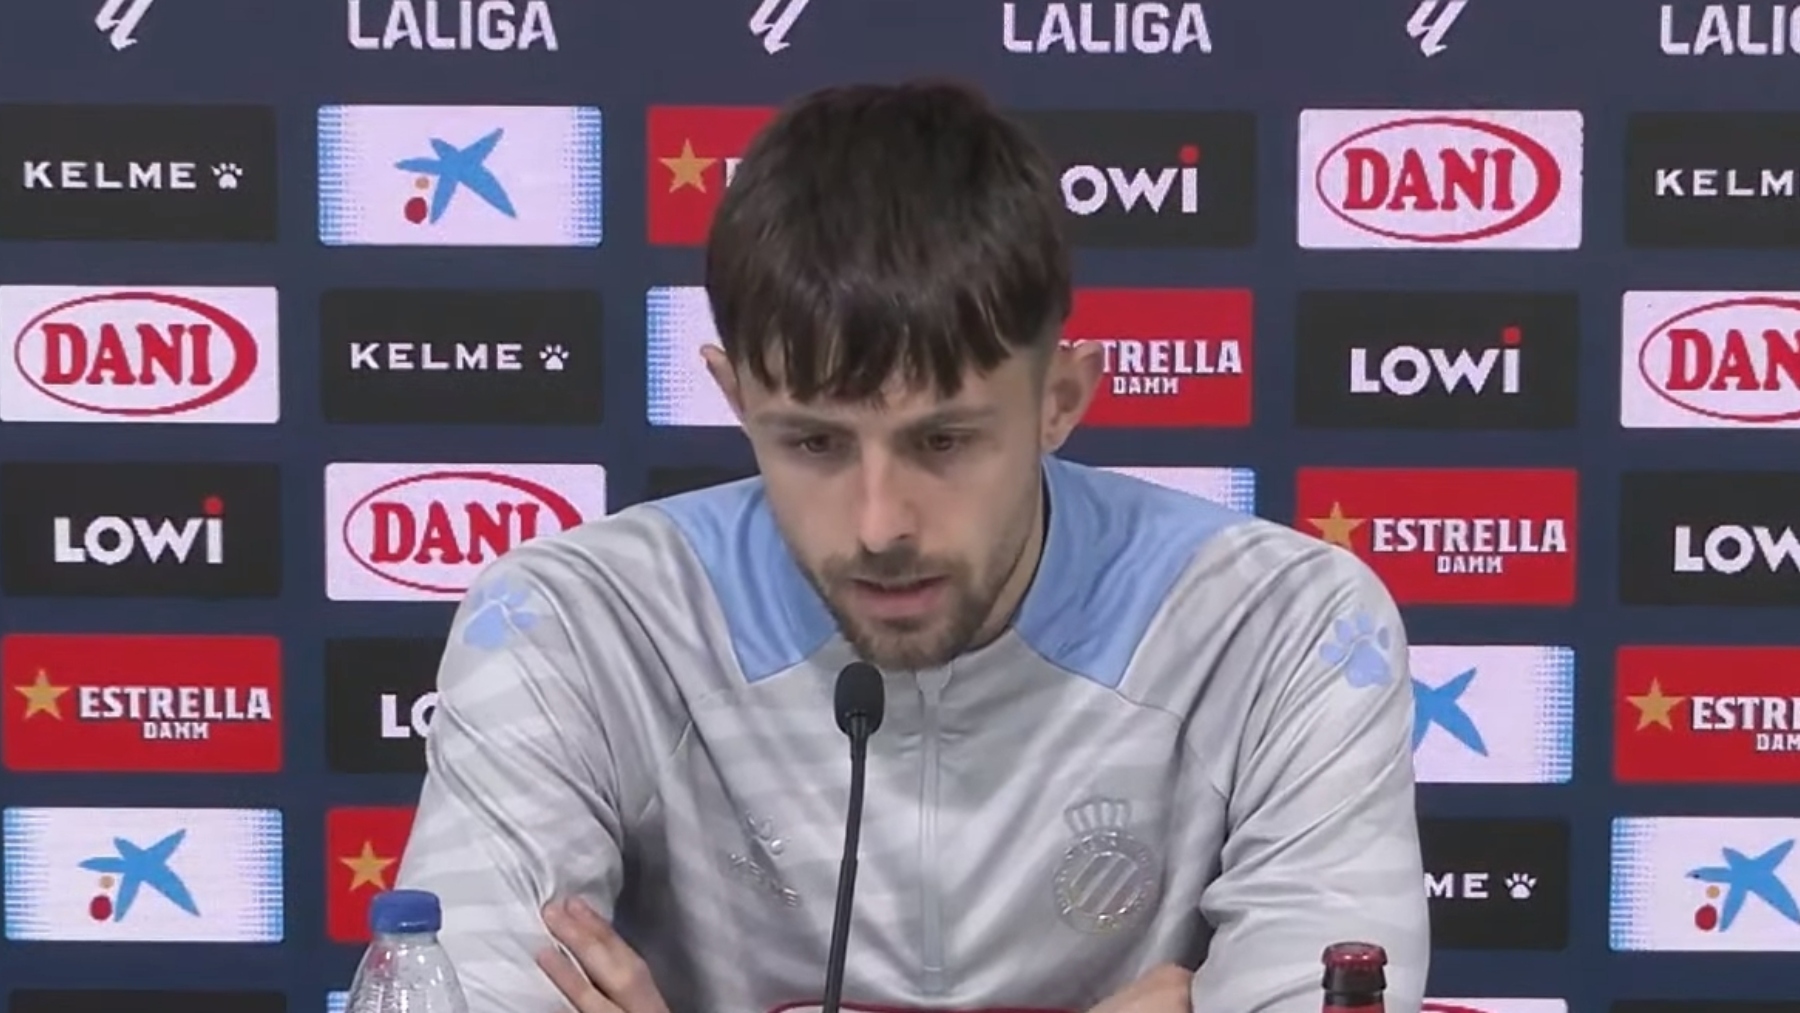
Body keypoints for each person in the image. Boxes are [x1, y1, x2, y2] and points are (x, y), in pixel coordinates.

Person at [395, 79, 1430, 1013]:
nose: (879, 524)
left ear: (1061, 399)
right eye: (814, 442)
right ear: (735, 398)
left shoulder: (1281, 622)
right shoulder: (577, 621)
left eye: (943, 441)